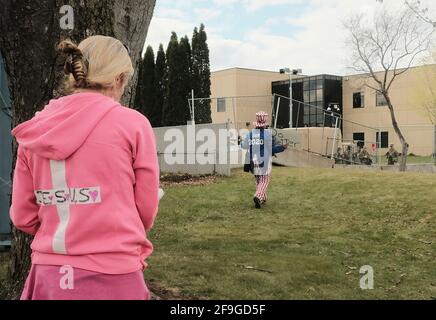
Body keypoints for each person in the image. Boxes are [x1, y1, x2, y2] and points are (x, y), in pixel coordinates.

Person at [9, 36, 160, 300]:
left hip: (49, 275)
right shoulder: (133, 125)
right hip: (114, 273)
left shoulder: (35, 130)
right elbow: (145, 211)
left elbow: (23, 215)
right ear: (118, 78)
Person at [242, 112, 288, 209]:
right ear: (264, 124)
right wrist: (282, 147)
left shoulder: (250, 134)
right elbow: (272, 149)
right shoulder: (267, 135)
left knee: (259, 180)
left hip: (251, 161)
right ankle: (258, 196)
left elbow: (244, 145)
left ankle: (263, 198)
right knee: (264, 180)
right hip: (263, 161)